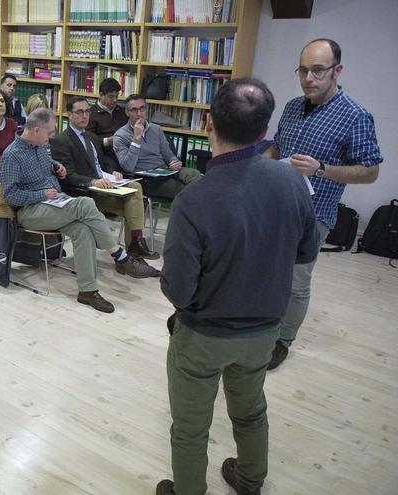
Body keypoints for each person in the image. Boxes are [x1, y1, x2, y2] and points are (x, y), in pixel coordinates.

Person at [156, 78, 319, 495]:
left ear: (208, 123)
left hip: (203, 335)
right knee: (251, 413)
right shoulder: (293, 183)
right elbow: (305, 253)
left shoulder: (194, 199)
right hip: (264, 331)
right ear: (265, 131)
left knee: (191, 428)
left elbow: (178, 289)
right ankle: (250, 481)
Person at [268, 38, 382, 370]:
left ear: (337, 71)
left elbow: (371, 171)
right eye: (303, 70)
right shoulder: (291, 106)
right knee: (271, 271)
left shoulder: (356, 115)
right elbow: (278, 146)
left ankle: (282, 341)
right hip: (276, 205)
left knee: (297, 280)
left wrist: (321, 169)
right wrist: (260, 162)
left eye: (318, 70)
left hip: (313, 215)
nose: (309, 78)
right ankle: (264, 323)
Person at [0, 109, 158, 313]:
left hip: (55, 203)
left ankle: (87, 291)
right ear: (36, 130)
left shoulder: (40, 146)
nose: (51, 136)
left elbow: (47, 165)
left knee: (82, 230)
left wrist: (57, 166)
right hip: (31, 211)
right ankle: (120, 256)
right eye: (49, 132)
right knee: (85, 203)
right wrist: (41, 195)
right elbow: (10, 196)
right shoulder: (11, 155)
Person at [51, 96, 159, 260]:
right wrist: (92, 181)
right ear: (69, 114)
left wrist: (112, 171)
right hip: (85, 193)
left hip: (105, 187)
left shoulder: (92, 137)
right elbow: (68, 176)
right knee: (133, 205)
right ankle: (134, 248)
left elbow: (102, 163)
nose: (85, 115)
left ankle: (135, 244)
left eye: (87, 111)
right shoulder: (62, 140)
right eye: (80, 112)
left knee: (135, 189)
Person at [112, 94, 202, 199]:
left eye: (142, 109)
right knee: (188, 190)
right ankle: (191, 211)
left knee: (196, 175)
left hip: (165, 170)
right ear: (127, 112)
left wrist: (174, 162)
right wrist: (136, 139)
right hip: (147, 179)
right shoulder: (120, 135)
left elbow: (168, 154)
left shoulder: (156, 129)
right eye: (134, 110)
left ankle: (191, 210)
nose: (139, 113)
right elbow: (127, 167)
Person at [86, 78, 128, 170]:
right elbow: (89, 141)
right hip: (104, 153)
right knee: (113, 167)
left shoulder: (122, 111)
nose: (115, 100)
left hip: (123, 150)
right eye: (111, 97)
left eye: (117, 96)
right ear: (101, 95)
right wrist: (108, 141)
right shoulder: (90, 114)